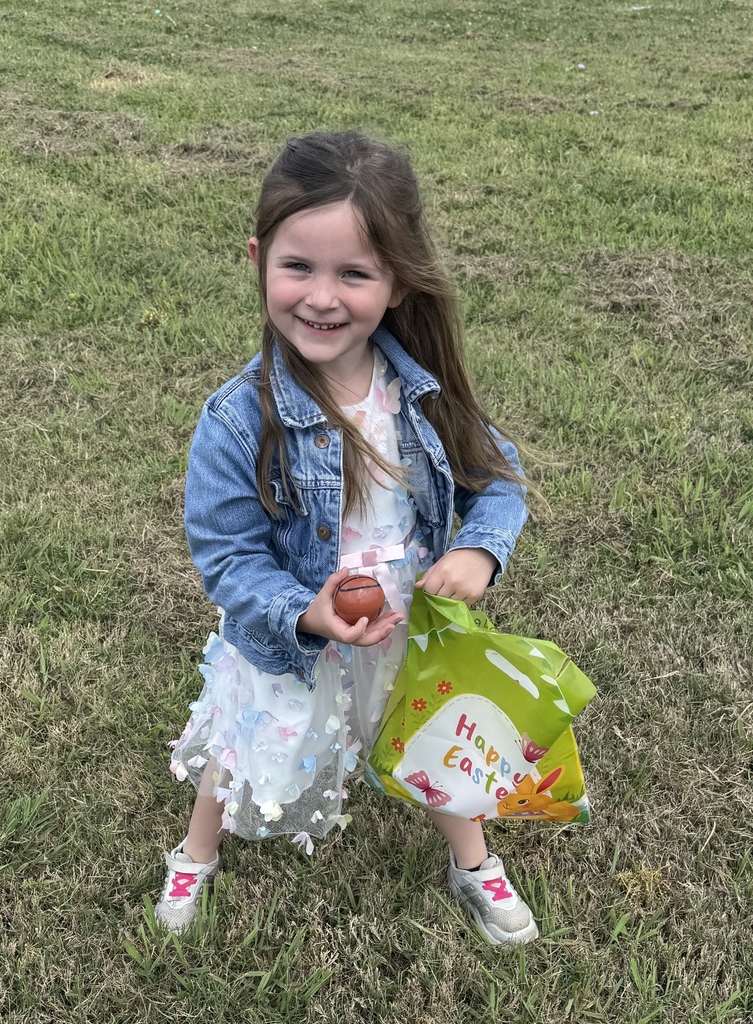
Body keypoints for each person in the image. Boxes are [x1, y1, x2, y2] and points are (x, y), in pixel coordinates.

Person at [155, 130, 538, 947]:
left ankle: (471, 862)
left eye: (354, 274)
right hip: (299, 628)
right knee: (245, 735)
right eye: (299, 267)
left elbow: (497, 478)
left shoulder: (421, 394)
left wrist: (479, 549)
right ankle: (196, 850)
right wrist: (302, 613)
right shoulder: (236, 417)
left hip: (407, 621)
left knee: (438, 739)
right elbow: (226, 557)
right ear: (258, 258)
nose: (322, 297)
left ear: (397, 283)